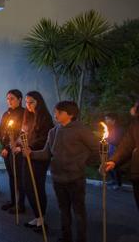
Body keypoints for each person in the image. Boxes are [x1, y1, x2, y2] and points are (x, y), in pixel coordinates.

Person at [24, 101, 100, 242]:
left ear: (70, 114)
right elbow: (46, 153)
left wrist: (84, 163)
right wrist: (31, 153)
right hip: (58, 178)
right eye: (55, 112)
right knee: (63, 210)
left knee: (78, 211)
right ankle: (66, 236)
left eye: (59, 112)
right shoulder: (53, 132)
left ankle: (81, 238)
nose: (55, 114)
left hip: (75, 177)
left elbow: (96, 148)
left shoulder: (81, 130)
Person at [14, 91, 54, 232]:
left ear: (39, 102)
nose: (28, 105)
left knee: (37, 186)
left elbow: (44, 140)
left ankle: (42, 218)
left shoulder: (45, 119)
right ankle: (37, 216)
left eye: (31, 102)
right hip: (27, 156)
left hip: (38, 157)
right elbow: (23, 134)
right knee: (27, 185)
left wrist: (30, 147)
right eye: (27, 102)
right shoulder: (28, 116)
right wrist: (17, 145)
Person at [0, 89, 26, 213]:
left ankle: (20, 204)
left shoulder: (23, 114)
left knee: (18, 177)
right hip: (7, 150)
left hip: (16, 150)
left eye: (12, 98)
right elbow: (1, 128)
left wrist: (8, 147)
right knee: (12, 176)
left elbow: (20, 133)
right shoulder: (7, 113)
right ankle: (13, 201)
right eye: (8, 98)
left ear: (19, 99)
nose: (9, 101)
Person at [105, 100, 139, 210]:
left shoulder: (120, 129)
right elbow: (127, 144)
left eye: (135, 106)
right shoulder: (135, 124)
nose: (133, 108)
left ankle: (117, 183)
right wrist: (114, 160)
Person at [103, 113, 123, 190]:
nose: (106, 120)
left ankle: (118, 183)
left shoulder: (118, 129)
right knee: (109, 165)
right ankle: (113, 180)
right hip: (110, 149)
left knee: (115, 166)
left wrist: (107, 140)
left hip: (116, 150)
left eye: (107, 119)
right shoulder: (110, 128)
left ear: (113, 120)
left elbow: (117, 141)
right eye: (105, 119)